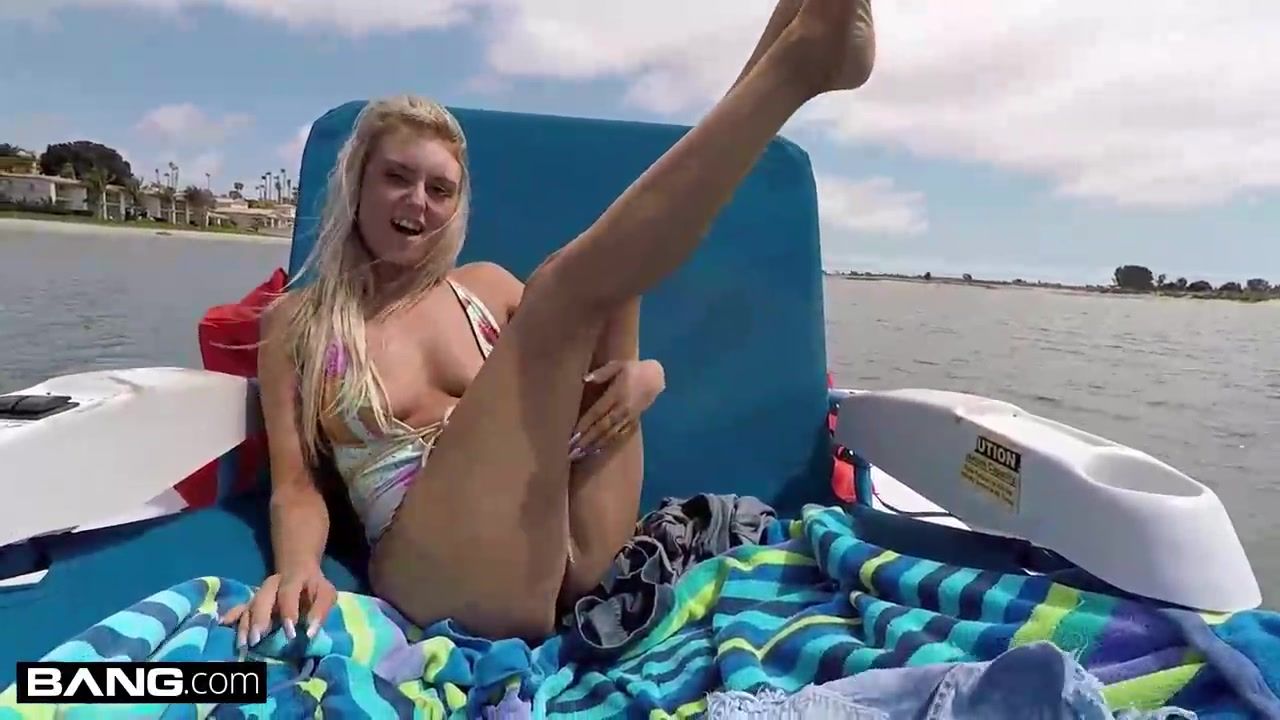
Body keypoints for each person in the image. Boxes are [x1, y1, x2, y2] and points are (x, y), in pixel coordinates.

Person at [222, 0, 876, 648]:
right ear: (358, 184)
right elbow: (297, 485)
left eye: (439, 189)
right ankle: (796, 65)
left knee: (608, 290)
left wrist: (644, 376)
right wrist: (299, 568)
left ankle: (789, 49)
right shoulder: (300, 323)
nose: (417, 202)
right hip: (433, 569)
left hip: (573, 562)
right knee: (564, 287)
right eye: (397, 177)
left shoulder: (483, 290)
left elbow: (596, 343)